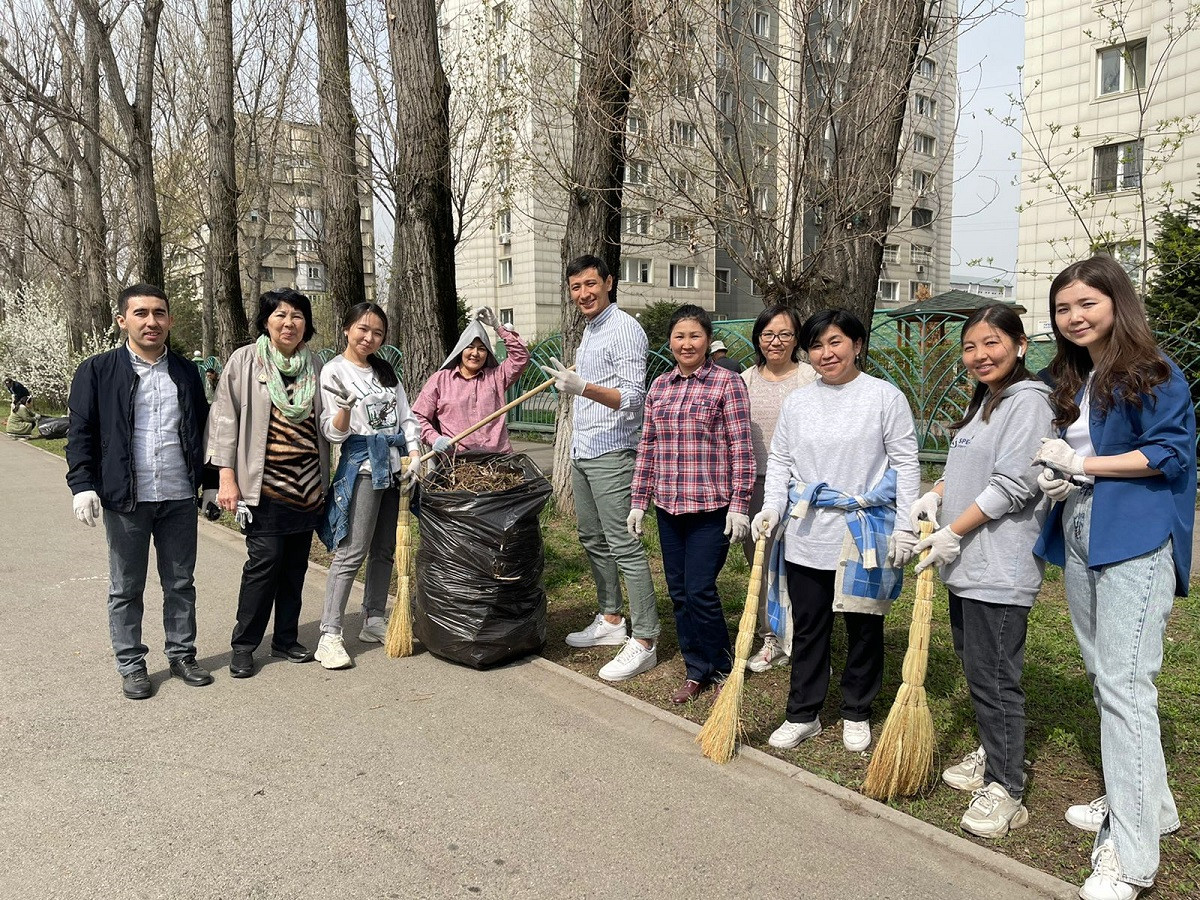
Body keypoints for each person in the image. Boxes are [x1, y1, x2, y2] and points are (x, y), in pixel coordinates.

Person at [1032, 256, 1195, 900]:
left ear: (1116, 304)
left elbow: (1169, 452)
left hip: (1133, 536)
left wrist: (1086, 462)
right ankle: (1152, 806)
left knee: (1126, 687)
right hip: (1080, 529)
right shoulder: (1077, 378)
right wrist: (1064, 475)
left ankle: (1131, 857)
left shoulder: (1153, 373)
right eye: (1063, 308)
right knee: (1109, 680)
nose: (1073, 317)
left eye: (1086, 304)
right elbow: (1078, 454)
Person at [906, 304, 1053, 838]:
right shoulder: (987, 401)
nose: (979, 355)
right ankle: (995, 756)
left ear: (1018, 344)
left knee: (995, 678)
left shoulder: (1028, 403)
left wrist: (954, 531)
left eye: (991, 343)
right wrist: (935, 495)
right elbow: (965, 472)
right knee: (978, 671)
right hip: (968, 563)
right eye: (969, 347)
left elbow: (1016, 484)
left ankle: (1008, 787)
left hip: (998, 563)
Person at [751, 308, 919, 753]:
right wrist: (772, 508)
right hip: (808, 532)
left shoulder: (884, 397)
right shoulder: (799, 402)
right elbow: (781, 462)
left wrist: (905, 527)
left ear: (857, 345)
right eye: (817, 346)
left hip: (863, 530)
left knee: (864, 625)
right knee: (809, 626)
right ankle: (803, 712)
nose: (826, 353)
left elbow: (905, 463)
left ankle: (856, 710)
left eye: (835, 342)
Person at [65, 283, 216, 700]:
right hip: (125, 498)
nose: (152, 322)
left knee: (180, 582)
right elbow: (81, 433)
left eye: (160, 314)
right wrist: (82, 485)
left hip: (178, 495)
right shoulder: (97, 371)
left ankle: (182, 654)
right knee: (126, 587)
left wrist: (211, 483)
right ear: (122, 320)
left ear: (168, 320)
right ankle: (131, 664)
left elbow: (202, 432)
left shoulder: (185, 371)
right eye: (142, 313)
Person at [540, 255, 661, 682]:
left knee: (624, 545)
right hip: (584, 449)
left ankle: (645, 638)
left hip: (613, 452)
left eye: (591, 284)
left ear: (609, 282)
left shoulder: (625, 328)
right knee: (593, 538)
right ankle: (612, 620)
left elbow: (634, 398)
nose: (584, 294)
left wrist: (583, 387)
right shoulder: (590, 331)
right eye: (576, 287)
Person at [628, 305, 754, 702]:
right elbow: (648, 447)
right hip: (669, 507)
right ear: (670, 341)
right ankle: (695, 667)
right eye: (679, 336)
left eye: (694, 336)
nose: (687, 344)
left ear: (707, 340)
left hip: (710, 509)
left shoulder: (726, 384)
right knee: (679, 592)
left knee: (700, 589)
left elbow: (741, 446)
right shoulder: (660, 387)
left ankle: (722, 667)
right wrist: (638, 501)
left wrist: (740, 504)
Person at [206, 289, 330, 679]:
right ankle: (244, 645)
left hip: (307, 485)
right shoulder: (246, 360)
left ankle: (286, 639)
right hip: (263, 485)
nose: (289, 323)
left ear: (307, 325)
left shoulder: (317, 366)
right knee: (264, 564)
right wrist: (226, 477)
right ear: (266, 322)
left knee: (296, 567)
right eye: (280, 315)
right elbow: (224, 419)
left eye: (297, 316)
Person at [315, 302, 423, 670]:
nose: (369, 337)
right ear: (346, 328)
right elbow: (333, 433)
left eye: (377, 332)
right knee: (351, 551)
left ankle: (373, 619)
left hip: (395, 469)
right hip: (361, 468)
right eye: (362, 329)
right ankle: (329, 634)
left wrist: (414, 453)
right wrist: (344, 409)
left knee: (384, 550)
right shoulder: (334, 371)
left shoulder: (385, 372)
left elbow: (407, 418)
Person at [739, 305, 817, 673]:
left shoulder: (811, 377)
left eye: (785, 334)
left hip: (800, 489)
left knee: (801, 567)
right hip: (756, 485)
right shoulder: (745, 380)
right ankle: (771, 636)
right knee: (761, 563)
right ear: (758, 338)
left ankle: (805, 636)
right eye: (768, 334)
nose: (776, 341)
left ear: (796, 339)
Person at [412, 307, 530, 454]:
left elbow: (521, 357)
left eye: (481, 348)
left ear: (487, 353)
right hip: (458, 461)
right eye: (470, 347)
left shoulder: (496, 377)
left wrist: (498, 327)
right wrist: (434, 438)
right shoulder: (440, 380)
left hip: (498, 459)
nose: (475, 353)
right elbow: (417, 416)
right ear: (461, 350)